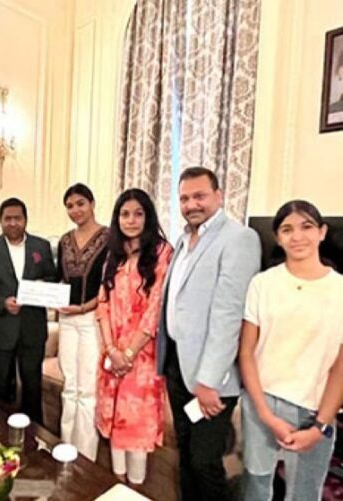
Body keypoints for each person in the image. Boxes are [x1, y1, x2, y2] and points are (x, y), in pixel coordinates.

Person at [157, 166, 261, 501]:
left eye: (199, 196)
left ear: (219, 195)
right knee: (186, 455)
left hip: (211, 377)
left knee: (205, 462)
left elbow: (229, 315)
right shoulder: (183, 240)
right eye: (184, 198)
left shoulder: (239, 238)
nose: (191, 204)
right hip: (178, 365)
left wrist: (209, 381)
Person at [239, 200, 343, 501]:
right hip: (262, 402)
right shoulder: (263, 284)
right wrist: (265, 414)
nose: (297, 236)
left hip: (315, 409)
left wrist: (320, 426)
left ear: (322, 232)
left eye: (306, 226)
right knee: (256, 486)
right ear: (278, 237)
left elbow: (340, 365)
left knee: (305, 493)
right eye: (287, 229)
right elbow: (247, 352)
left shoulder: (339, 289)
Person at [95, 188, 172, 484]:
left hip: (142, 359)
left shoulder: (162, 253)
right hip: (112, 355)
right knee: (115, 425)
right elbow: (102, 305)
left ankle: (135, 489)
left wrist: (127, 354)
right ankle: (118, 484)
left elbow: (155, 309)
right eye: (125, 214)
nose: (131, 220)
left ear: (148, 217)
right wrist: (112, 350)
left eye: (138, 214)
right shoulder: (113, 255)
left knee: (136, 428)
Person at [0, 197, 56, 423]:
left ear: (25, 220)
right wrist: (2, 302)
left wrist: (42, 286)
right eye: (8, 219)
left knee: (32, 386)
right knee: (0, 387)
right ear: (0, 221)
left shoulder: (41, 247)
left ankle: (34, 436)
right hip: (2, 328)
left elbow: (52, 278)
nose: (13, 223)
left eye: (17, 218)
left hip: (32, 329)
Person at [56, 183, 108, 460]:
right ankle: (66, 449)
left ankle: (86, 457)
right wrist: (52, 298)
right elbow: (59, 279)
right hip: (67, 318)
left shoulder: (109, 238)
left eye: (80, 203)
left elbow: (110, 284)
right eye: (69, 206)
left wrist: (85, 307)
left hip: (91, 317)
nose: (75, 210)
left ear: (92, 204)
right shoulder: (64, 241)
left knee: (88, 388)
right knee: (70, 385)